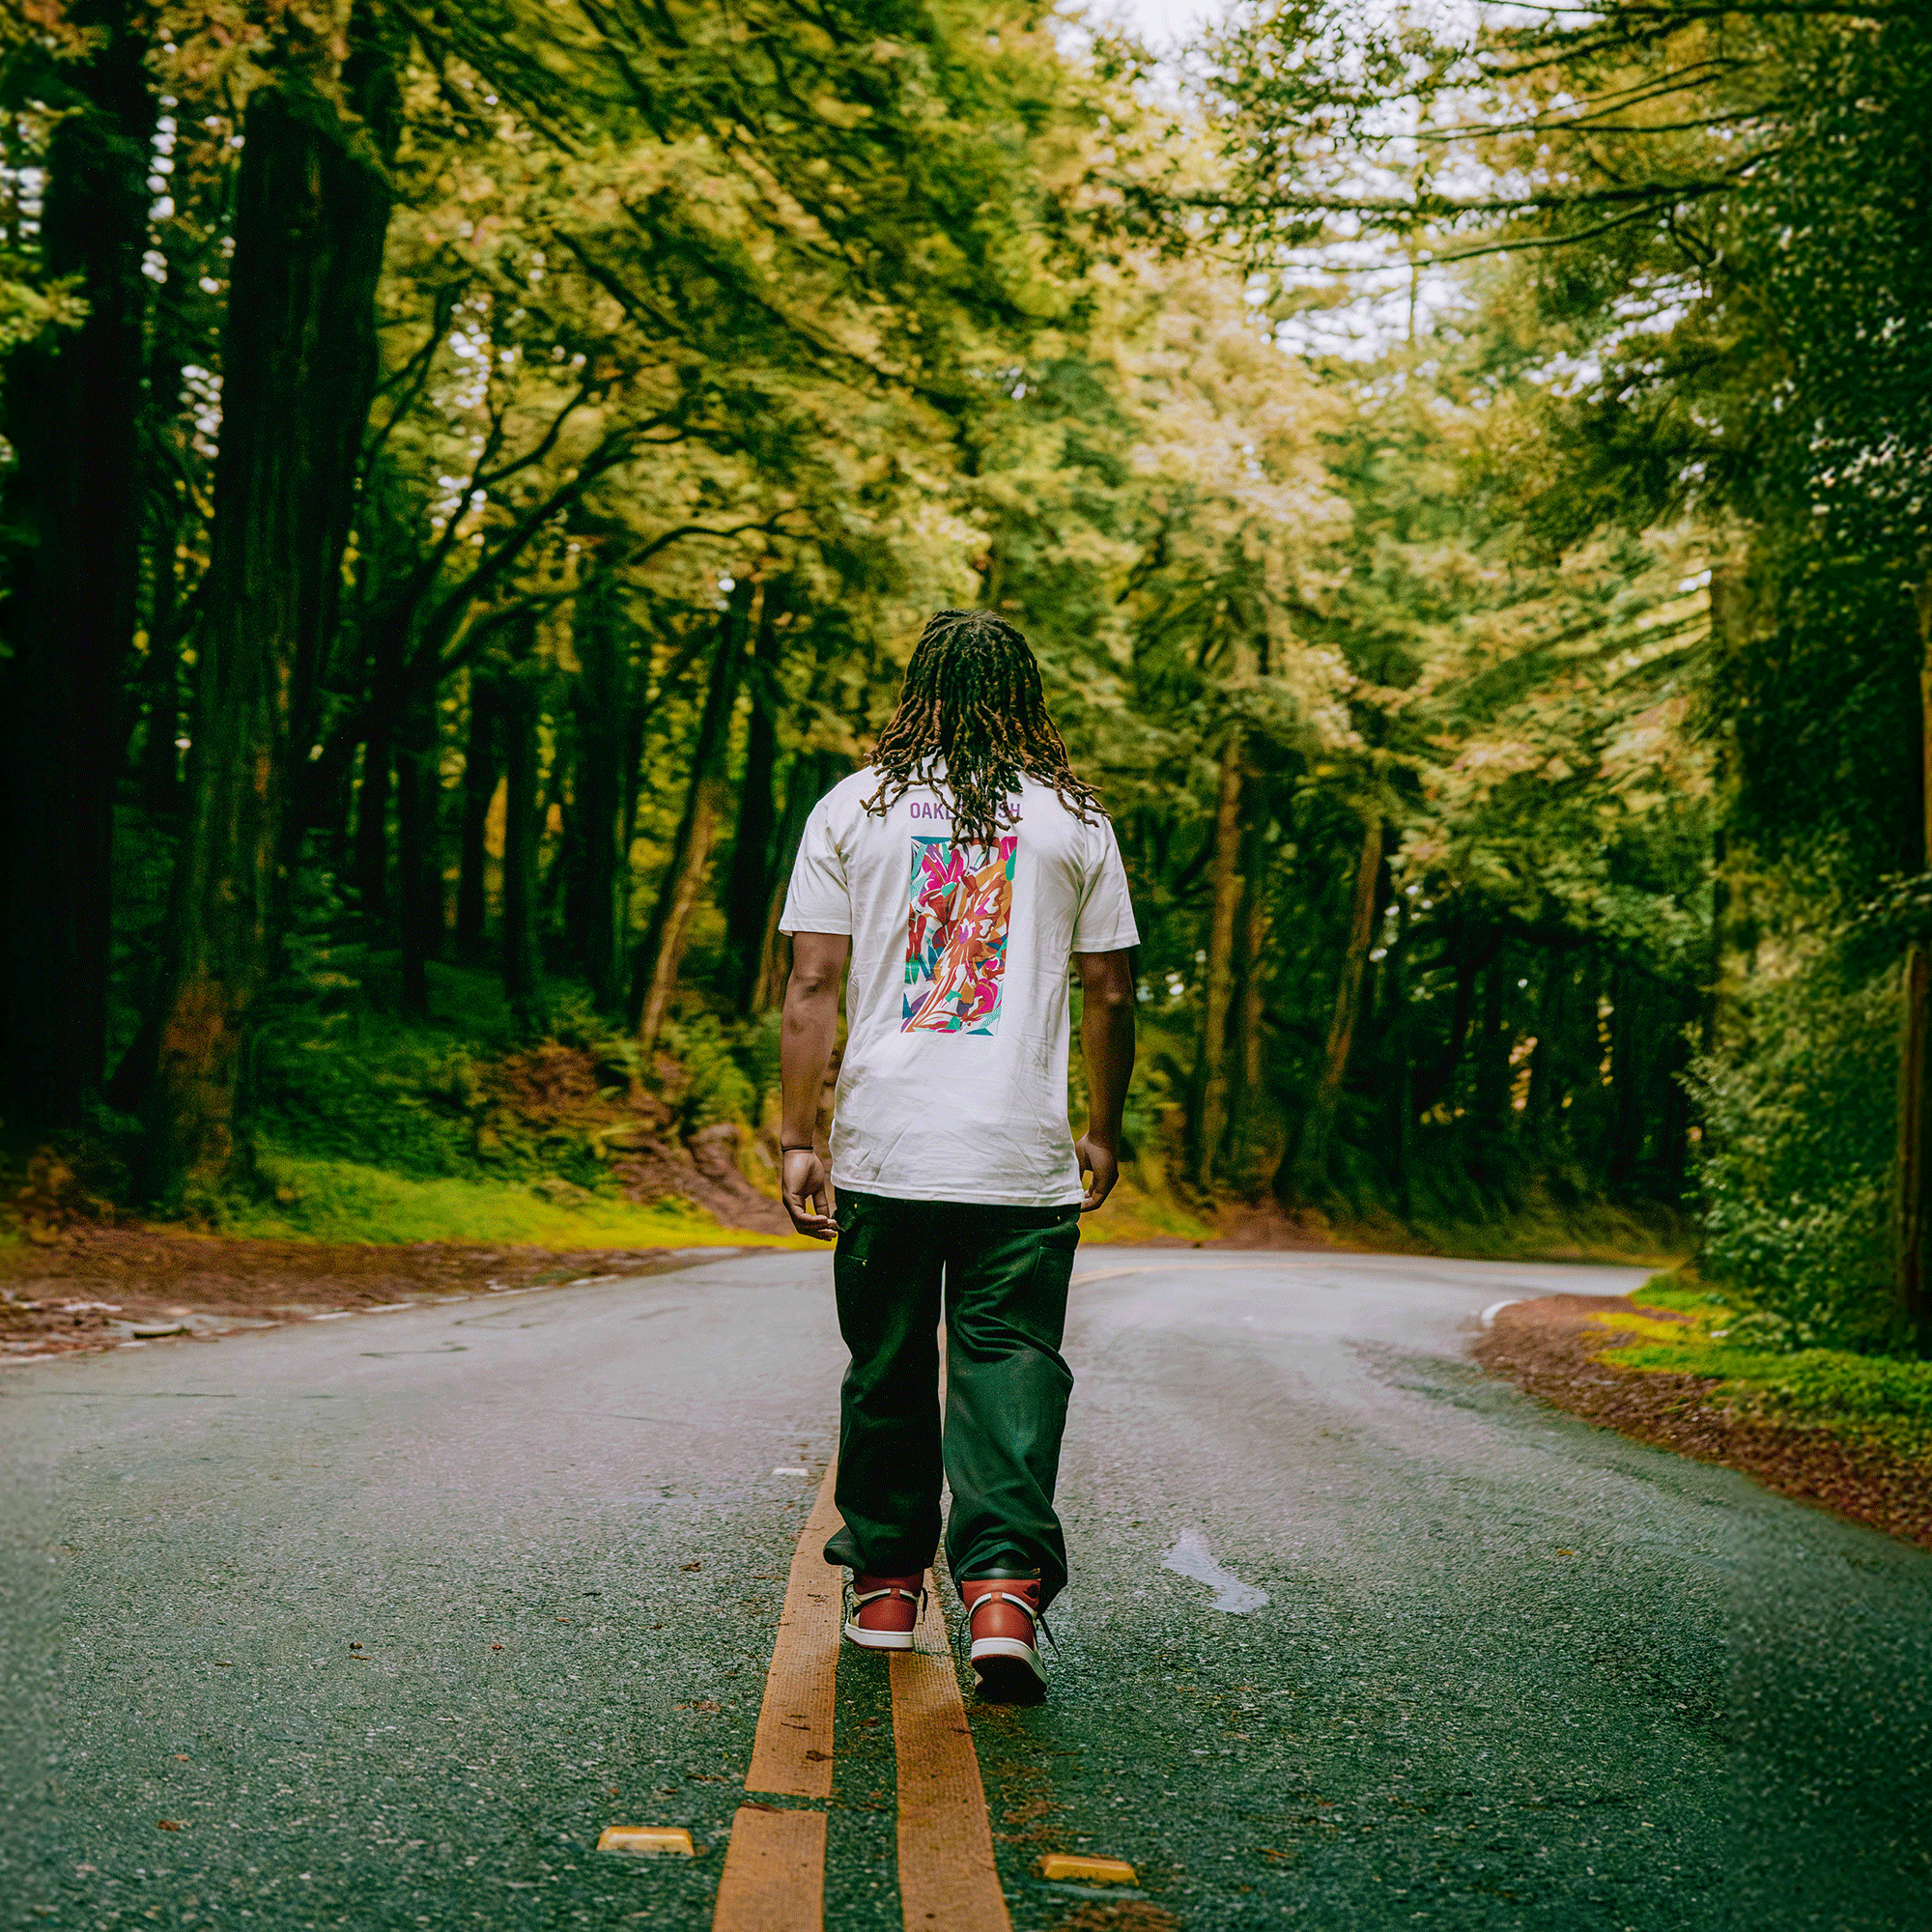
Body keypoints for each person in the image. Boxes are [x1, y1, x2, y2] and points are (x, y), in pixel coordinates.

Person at [775, 608, 1138, 1702]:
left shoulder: (853, 807)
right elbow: (1111, 987)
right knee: (1009, 1365)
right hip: (1014, 1153)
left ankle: (886, 1588)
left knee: (886, 1363)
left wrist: (799, 1133)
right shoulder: (1073, 819)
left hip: (886, 1144)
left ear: (918, 688)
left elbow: (809, 986)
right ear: (1023, 695)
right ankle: (997, 1594)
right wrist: (1103, 1125)